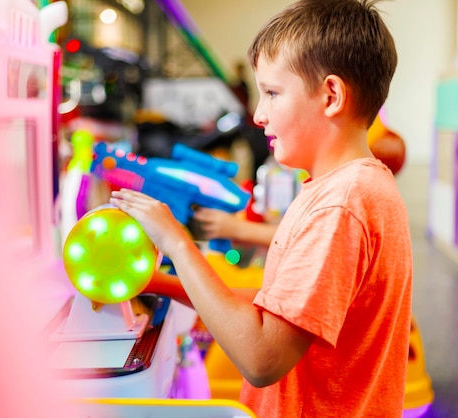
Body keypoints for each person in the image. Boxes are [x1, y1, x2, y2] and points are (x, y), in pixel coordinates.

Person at [110, 0, 412, 416]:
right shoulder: (344, 188)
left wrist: (179, 245)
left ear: (331, 96)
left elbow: (262, 358)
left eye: (271, 93)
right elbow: (276, 308)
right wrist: (158, 284)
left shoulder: (341, 205)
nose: (258, 114)